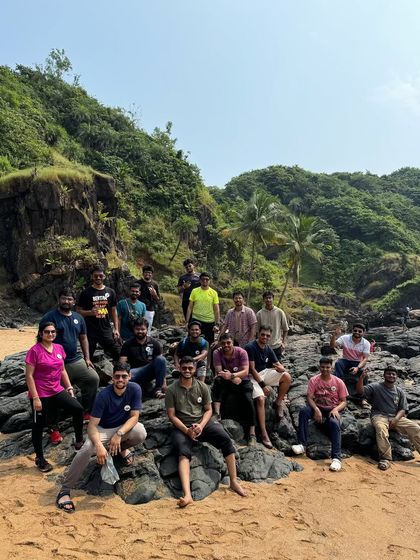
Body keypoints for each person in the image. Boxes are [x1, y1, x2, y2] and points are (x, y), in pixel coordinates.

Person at [56, 362, 147, 512]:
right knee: (86, 449)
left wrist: (119, 434)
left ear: (129, 377)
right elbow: (91, 426)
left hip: (120, 429)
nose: (120, 379)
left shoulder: (135, 389)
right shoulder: (103, 395)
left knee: (140, 432)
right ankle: (65, 490)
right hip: (102, 429)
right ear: (112, 377)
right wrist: (98, 445)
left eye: (124, 376)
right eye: (117, 376)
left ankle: (119, 449)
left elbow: (134, 417)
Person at [165, 356, 246, 508]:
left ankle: (234, 481)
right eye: (184, 368)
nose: (187, 370)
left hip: (201, 422)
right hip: (182, 426)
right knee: (183, 452)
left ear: (195, 369)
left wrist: (201, 426)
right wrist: (186, 430)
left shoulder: (202, 387)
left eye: (190, 368)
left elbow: (208, 410)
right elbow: (172, 415)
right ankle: (187, 494)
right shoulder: (171, 390)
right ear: (179, 368)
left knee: (226, 440)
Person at [25, 321, 84, 473]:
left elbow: (62, 370)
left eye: (52, 332)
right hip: (40, 393)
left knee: (77, 409)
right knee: (39, 425)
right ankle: (40, 458)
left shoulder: (59, 348)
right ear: (40, 334)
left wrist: (69, 387)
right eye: (47, 332)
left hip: (56, 390)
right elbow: (29, 376)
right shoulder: (34, 351)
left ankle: (79, 443)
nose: (50, 334)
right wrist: (36, 398)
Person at [42, 288, 99, 434]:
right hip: (55, 364)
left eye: (70, 299)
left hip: (75, 360)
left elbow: (83, 337)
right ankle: (53, 427)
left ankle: (87, 411)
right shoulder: (50, 317)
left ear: (74, 302)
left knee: (93, 378)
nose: (66, 301)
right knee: (51, 393)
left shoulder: (78, 317)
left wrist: (87, 358)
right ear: (59, 299)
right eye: (64, 298)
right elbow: (41, 341)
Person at [356, 365, 420, 471]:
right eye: (389, 374)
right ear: (384, 375)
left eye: (393, 374)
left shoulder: (400, 391)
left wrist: (395, 420)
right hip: (379, 415)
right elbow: (360, 391)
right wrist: (361, 378)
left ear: (396, 377)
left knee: (416, 428)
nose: (391, 376)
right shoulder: (375, 386)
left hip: (395, 417)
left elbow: (403, 409)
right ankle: (385, 458)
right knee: (381, 430)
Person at [292, 357, 348, 472]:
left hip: (332, 409)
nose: (325, 369)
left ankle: (336, 458)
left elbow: (344, 401)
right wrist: (316, 409)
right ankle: (302, 444)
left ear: (331, 368)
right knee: (303, 412)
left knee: (334, 423)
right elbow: (309, 397)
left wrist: (336, 409)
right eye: (323, 367)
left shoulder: (338, 382)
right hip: (318, 407)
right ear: (319, 367)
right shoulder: (314, 380)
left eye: (328, 367)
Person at [245, 326, 292, 448]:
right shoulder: (250, 347)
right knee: (260, 399)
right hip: (252, 376)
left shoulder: (268, 348)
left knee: (287, 377)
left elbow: (277, 364)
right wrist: (263, 385)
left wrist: (281, 368)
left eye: (267, 335)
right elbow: (252, 368)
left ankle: (278, 402)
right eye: (263, 334)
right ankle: (264, 433)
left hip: (265, 372)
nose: (265, 337)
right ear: (258, 334)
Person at [212, 333, 256, 444]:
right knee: (218, 382)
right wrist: (233, 377)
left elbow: (246, 371)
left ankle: (252, 433)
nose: (226, 345)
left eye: (228, 343)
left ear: (233, 343)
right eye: (223, 343)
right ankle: (217, 414)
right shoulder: (217, 352)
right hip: (228, 379)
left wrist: (233, 375)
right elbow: (219, 371)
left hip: (242, 380)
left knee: (248, 399)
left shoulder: (242, 352)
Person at [76, 265, 121, 361]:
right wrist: (90, 312)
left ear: (104, 276)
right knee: (88, 356)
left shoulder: (110, 292)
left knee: (117, 352)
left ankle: (119, 373)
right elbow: (78, 311)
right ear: (92, 277)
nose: (98, 278)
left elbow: (113, 311)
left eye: (100, 275)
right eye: (95, 276)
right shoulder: (86, 293)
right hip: (90, 329)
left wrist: (116, 329)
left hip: (105, 328)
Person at [119, 318, 167, 398]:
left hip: (149, 370)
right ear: (134, 329)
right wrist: (123, 376)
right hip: (134, 372)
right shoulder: (127, 344)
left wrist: (164, 383)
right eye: (137, 329)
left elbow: (162, 365)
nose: (140, 331)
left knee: (161, 359)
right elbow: (122, 363)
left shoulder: (154, 343)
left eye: (142, 329)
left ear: (147, 330)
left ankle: (157, 390)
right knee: (126, 377)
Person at [330, 323, 370, 400]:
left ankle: (365, 392)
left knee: (364, 373)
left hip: (357, 362)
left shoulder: (366, 343)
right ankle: (340, 383)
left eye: (359, 331)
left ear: (363, 332)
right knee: (338, 363)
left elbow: (365, 359)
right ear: (352, 331)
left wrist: (357, 368)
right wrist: (334, 335)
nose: (357, 332)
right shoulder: (345, 338)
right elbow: (332, 346)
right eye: (355, 330)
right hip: (346, 360)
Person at [185, 272, 220, 344]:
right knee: (192, 341)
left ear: (209, 281)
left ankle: (209, 355)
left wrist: (217, 324)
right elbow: (190, 307)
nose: (205, 281)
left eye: (207, 279)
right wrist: (187, 322)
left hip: (209, 322)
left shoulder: (214, 293)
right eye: (203, 279)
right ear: (200, 280)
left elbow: (216, 309)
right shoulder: (194, 291)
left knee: (209, 343)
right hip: (196, 320)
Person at [256, 291, 289, 360]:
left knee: (276, 367)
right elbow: (257, 331)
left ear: (273, 299)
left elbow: (285, 329)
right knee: (263, 368)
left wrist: (284, 342)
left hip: (276, 346)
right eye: (266, 298)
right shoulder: (259, 314)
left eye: (270, 298)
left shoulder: (279, 312)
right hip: (263, 346)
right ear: (263, 300)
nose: (268, 300)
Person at [138, 265, 160, 334]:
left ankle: (146, 342)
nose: (148, 274)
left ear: (152, 274)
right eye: (146, 272)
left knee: (147, 329)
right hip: (138, 309)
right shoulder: (138, 283)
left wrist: (155, 295)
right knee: (137, 327)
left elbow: (157, 299)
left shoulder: (154, 284)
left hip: (150, 309)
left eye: (149, 273)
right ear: (143, 273)